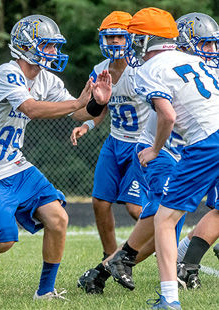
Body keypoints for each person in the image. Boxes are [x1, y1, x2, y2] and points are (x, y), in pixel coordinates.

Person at [0, 14, 112, 303]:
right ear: (26, 46)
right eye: (47, 46)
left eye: (53, 46)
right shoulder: (6, 74)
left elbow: (77, 113)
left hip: (14, 163)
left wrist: (98, 101)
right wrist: (78, 102)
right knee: (4, 237)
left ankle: (45, 291)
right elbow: (31, 109)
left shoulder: (46, 78)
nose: (53, 53)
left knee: (58, 218)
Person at [125, 7, 218, 309]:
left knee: (165, 219)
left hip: (208, 140)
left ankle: (169, 299)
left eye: (136, 37)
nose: (133, 43)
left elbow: (167, 114)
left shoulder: (150, 69)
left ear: (147, 39)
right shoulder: (195, 60)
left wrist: (154, 149)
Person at [70, 11, 149, 262]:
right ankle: (108, 259)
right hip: (115, 142)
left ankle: (167, 236)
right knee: (100, 202)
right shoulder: (100, 70)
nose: (114, 41)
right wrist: (88, 125)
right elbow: (93, 110)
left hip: (141, 144)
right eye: (110, 36)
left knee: (136, 209)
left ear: (131, 39)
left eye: (119, 36)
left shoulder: (144, 69)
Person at [173, 12, 219, 290]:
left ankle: (185, 259)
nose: (213, 50)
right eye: (206, 44)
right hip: (197, 148)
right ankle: (186, 264)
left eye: (215, 44)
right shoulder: (180, 73)